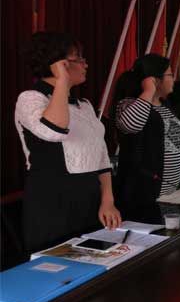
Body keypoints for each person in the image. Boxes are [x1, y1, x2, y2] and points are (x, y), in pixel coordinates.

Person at [15, 32, 121, 253]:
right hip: (52, 202)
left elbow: (101, 154)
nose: (85, 64)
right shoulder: (30, 99)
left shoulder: (84, 104)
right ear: (59, 64)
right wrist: (62, 80)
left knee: (98, 262)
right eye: (79, 58)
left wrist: (108, 200)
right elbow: (54, 130)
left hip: (90, 199)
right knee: (58, 265)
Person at [112, 54, 180, 223]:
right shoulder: (129, 104)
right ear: (154, 79)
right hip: (144, 192)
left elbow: (176, 142)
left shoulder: (166, 105)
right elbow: (131, 125)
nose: (173, 79)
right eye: (170, 75)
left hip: (171, 191)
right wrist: (148, 90)